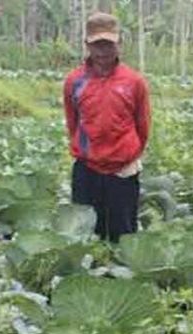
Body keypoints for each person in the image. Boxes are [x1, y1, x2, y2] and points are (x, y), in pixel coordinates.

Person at [63, 12, 151, 243]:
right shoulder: (74, 81)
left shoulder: (134, 82)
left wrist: (126, 154)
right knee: (86, 236)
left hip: (123, 169)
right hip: (87, 169)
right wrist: (89, 153)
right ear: (87, 45)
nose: (103, 51)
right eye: (97, 45)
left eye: (108, 44)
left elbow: (143, 126)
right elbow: (73, 123)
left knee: (123, 234)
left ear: (119, 43)